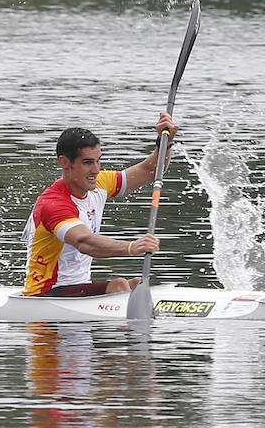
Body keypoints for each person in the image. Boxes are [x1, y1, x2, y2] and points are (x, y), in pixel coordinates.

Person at [21, 112, 178, 297]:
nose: (96, 170)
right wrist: (131, 247)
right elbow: (84, 242)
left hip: (78, 288)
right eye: (87, 162)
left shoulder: (101, 183)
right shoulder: (53, 204)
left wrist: (164, 142)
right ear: (64, 162)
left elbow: (150, 171)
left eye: (98, 160)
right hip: (44, 294)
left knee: (137, 284)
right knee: (119, 285)